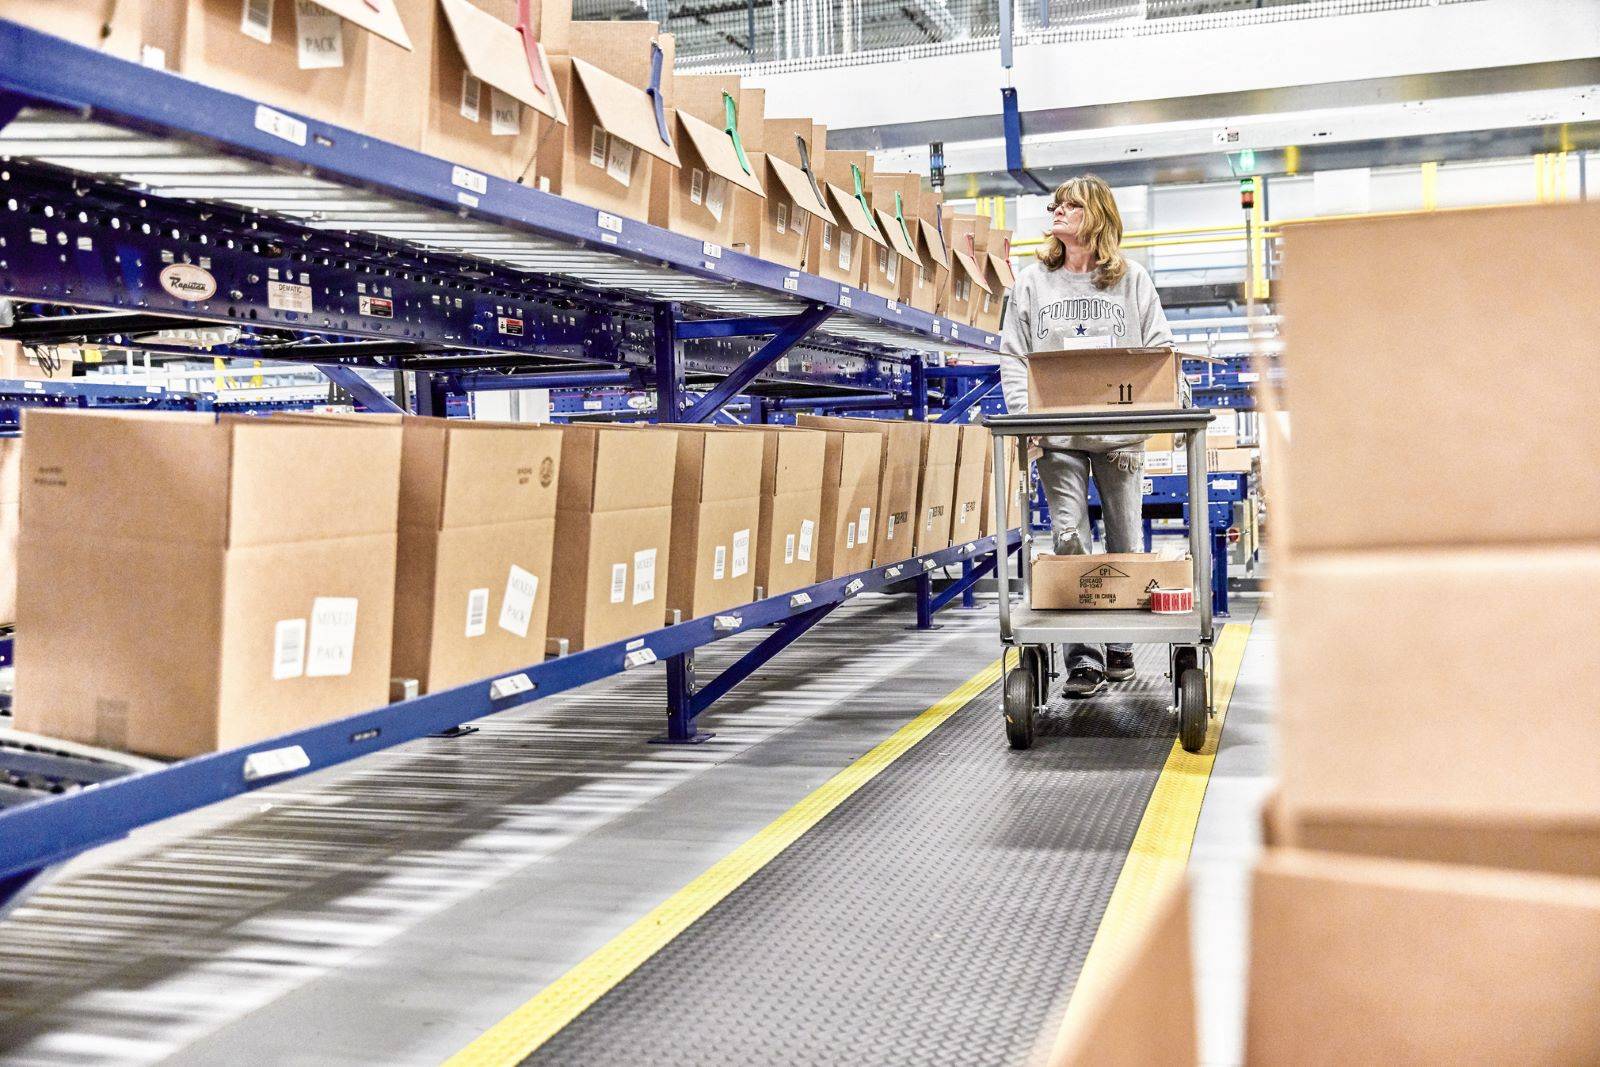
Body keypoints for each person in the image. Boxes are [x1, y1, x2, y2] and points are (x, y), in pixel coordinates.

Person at [997, 175, 1174, 698]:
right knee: (1070, 537)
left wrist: (1162, 409)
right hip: (1057, 436)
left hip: (1120, 439)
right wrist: (1024, 421)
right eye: (1055, 205)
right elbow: (1013, 352)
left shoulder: (1131, 279)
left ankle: (1120, 641)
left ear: (1096, 215)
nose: (1057, 212)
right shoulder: (1032, 281)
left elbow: (1160, 347)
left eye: (1069, 205)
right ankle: (1084, 658)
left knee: (1124, 540)